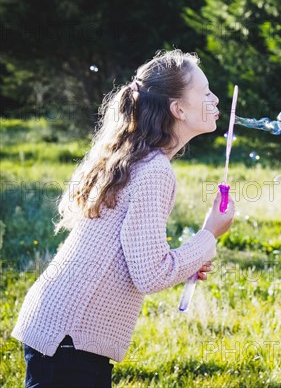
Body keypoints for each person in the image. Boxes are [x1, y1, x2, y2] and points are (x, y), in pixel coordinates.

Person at [12, 50, 235, 387]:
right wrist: (209, 235)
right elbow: (151, 274)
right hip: (71, 338)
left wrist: (189, 259)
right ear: (179, 109)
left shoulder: (140, 158)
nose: (215, 98)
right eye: (205, 92)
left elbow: (133, 253)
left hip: (60, 327)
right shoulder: (155, 170)